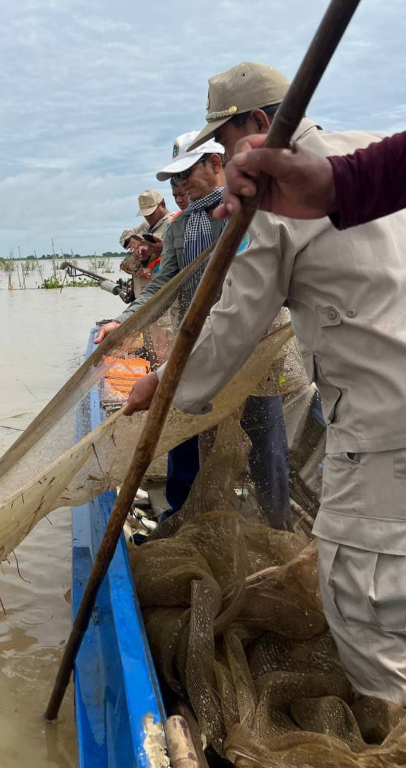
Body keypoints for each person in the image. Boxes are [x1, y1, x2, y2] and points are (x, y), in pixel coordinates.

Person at [124, 60, 406, 708]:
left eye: (225, 143)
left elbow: (230, 328)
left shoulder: (274, 199)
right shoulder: (374, 152)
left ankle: (389, 716)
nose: (224, 160)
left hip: (383, 422)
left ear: (259, 122)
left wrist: (161, 385)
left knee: (361, 598)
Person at [97, 137, 293, 530]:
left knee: (265, 440)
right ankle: (186, 521)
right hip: (198, 346)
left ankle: (277, 527)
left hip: (253, 347)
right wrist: (125, 321)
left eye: (186, 174)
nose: (179, 185)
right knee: (187, 430)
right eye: (174, 179)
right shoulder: (180, 227)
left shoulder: (248, 212)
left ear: (216, 163)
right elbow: (161, 285)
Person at [215, 123, 406, 230]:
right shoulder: (375, 140)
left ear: (259, 123)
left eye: (224, 143)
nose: (227, 157)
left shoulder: (263, 192)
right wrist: (333, 184)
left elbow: (247, 296)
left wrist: (335, 184)